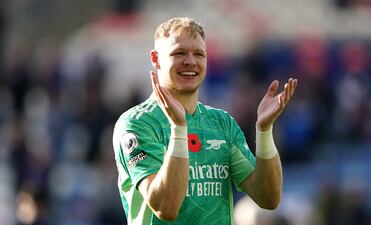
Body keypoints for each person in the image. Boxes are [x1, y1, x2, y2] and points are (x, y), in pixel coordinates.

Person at [112, 17, 298, 225]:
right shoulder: (138, 124)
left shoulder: (221, 123)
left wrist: (264, 131)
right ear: (156, 59)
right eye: (179, 53)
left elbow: (268, 198)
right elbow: (166, 207)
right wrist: (178, 129)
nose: (190, 61)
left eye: (199, 54)